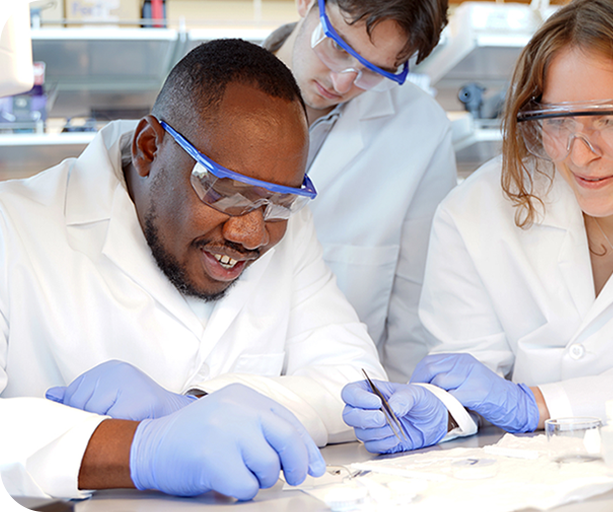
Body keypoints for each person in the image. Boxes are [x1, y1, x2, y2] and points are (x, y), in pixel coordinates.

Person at [341, 0, 613, 454]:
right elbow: (469, 383)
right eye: (558, 119)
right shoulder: (477, 210)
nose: (579, 154)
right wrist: (441, 410)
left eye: (612, 119)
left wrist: (538, 404)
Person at [0, 39, 387, 498]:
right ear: (149, 148)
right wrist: (140, 450)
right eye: (224, 190)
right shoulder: (13, 229)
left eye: (279, 200)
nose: (250, 234)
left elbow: (357, 385)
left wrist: (196, 403)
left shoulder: (285, 229)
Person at [263, 0, 458, 383]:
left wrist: (399, 415)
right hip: (214, 393)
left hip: (343, 407)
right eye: (337, 46)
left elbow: (413, 310)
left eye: (374, 71)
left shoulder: (420, 128)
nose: (343, 82)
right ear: (307, 4)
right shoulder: (209, 88)